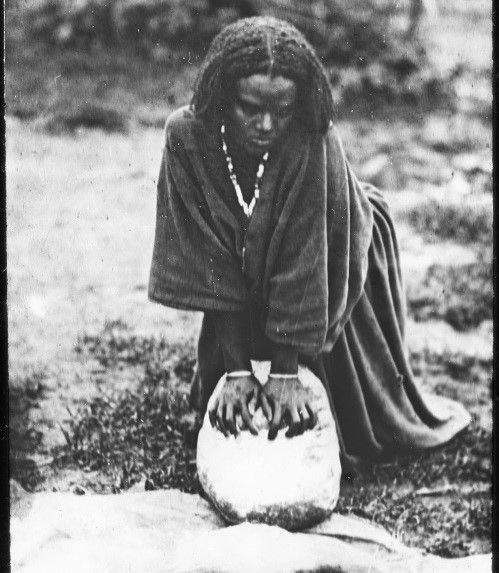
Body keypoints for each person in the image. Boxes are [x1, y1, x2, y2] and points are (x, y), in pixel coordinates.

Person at [148, 16, 470, 468]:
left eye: (281, 111)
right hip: (251, 260)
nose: (265, 124)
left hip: (336, 245)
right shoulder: (185, 137)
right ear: (222, 95)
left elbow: (305, 259)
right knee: (228, 416)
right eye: (248, 108)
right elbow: (206, 263)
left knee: (333, 430)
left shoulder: (311, 137)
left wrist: (285, 372)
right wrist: (238, 371)